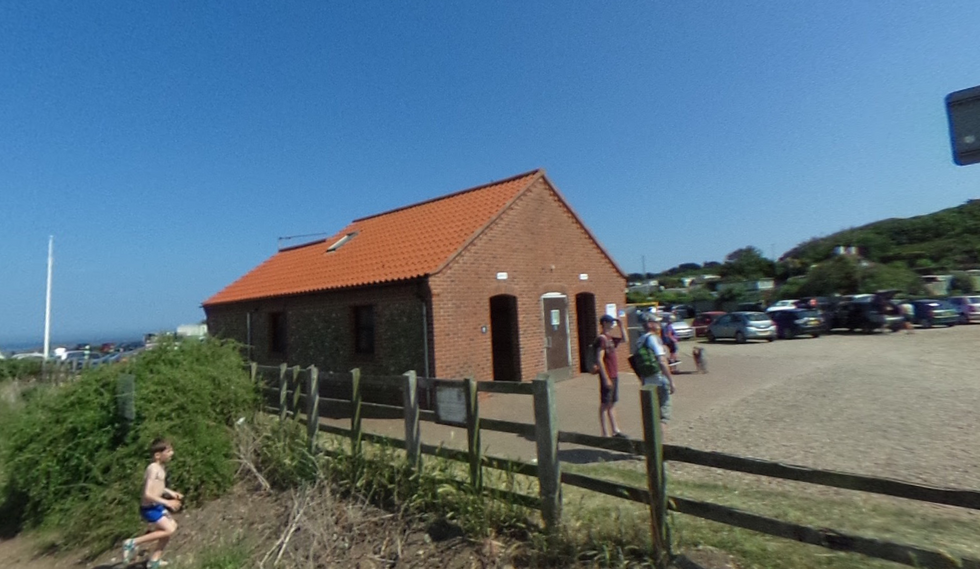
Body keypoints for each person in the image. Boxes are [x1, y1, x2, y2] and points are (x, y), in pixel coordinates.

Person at [122, 439, 183, 568]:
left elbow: (159, 487)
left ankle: (154, 560)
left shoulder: (161, 468)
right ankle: (132, 542)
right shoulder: (153, 469)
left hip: (156, 506)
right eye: (168, 451)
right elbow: (148, 494)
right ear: (157, 455)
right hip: (149, 508)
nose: (172, 453)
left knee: (170, 527)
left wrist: (170, 492)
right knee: (169, 529)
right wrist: (168, 502)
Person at [636, 313, 676, 429]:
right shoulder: (653, 339)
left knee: (651, 415)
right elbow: (662, 361)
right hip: (660, 380)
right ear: (650, 324)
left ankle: (651, 444)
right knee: (663, 417)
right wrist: (671, 381)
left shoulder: (640, 340)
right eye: (656, 322)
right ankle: (661, 445)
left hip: (648, 382)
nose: (659, 324)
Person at [596, 314, 626, 438]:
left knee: (612, 403)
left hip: (614, 374)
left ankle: (615, 430)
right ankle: (604, 432)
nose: (612, 324)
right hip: (608, 375)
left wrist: (622, 326)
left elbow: (625, 340)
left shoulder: (610, 339)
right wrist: (605, 377)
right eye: (609, 322)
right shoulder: (602, 339)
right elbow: (599, 359)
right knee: (605, 404)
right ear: (604, 323)